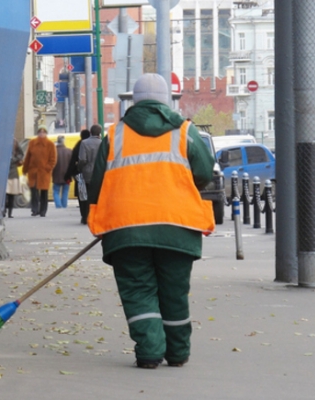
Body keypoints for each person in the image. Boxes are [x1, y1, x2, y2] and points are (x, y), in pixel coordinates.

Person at [86, 73, 215, 369]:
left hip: (126, 229)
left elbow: (97, 185)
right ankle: (178, 352)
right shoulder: (185, 132)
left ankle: (149, 351)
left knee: (137, 290)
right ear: (167, 100)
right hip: (177, 227)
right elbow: (204, 173)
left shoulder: (115, 135)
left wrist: (97, 217)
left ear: (135, 101)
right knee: (174, 291)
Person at [22, 125, 56, 217]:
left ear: (46, 133)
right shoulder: (32, 143)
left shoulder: (50, 144)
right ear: (37, 133)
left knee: (44, 192)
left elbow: (53, 159)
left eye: (43, 132)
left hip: (44, 172)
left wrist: (47, 168)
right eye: (40, 132)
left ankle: (43, 211)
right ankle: (34, 209)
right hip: (33, 171)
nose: (42, 133)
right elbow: (28, 157)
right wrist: (25, 169)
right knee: (34, 191)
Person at [77, 124, 103, 224]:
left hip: (87, 172)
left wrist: (80, 168)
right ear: (99, 133)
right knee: (97, 195)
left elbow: (82, 159)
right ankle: (96, 217)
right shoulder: (102, 143)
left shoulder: (84, 143)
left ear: (90, 132)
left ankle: (87, 217)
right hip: (99, 172)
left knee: (86, 195)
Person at [5, 138, 24, 218]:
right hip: (4, 172)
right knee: (4, 195)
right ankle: (3, 211)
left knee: (11, 195)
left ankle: (10, 213)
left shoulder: (15, 141)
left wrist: (15, 159)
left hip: (12, 172)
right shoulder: (3, 141)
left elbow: (21, 154)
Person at [52, 135, 73, 209]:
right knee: (65, 191)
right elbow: (72, 164)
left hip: (56, 175)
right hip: (67, 176)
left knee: (56, 191)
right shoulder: (69, 151)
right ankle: (64, 205)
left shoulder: (54, 152)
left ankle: (58, 205)